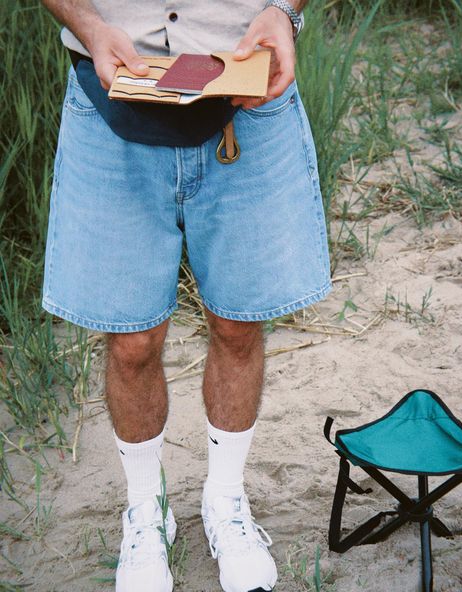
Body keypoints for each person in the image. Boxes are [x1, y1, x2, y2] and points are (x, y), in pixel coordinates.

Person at [40, 1, 332, 591]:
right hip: (111, 100)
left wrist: (283, 11)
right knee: (131, 340)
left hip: (247, 100)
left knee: (237, 323)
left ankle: (224, 500)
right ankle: (146, 511)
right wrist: (90, 26)